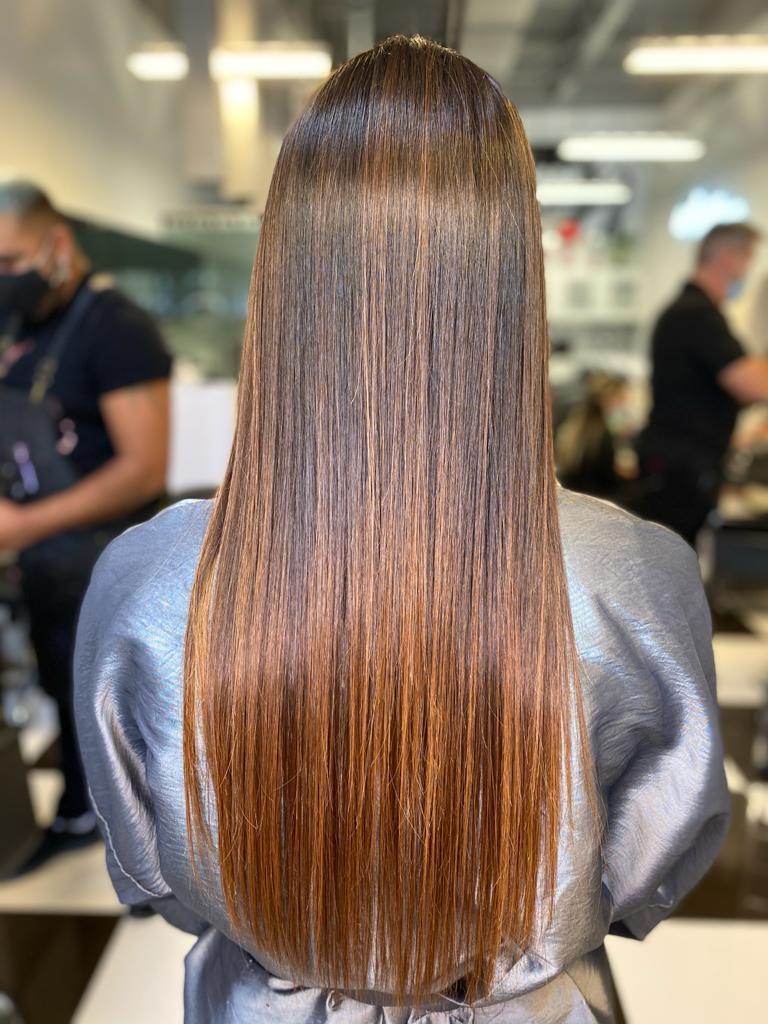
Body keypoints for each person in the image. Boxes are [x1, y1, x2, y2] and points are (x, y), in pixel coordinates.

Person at [74, 37, 728, 1024]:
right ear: (511, 267)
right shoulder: (630, 572)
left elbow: (155, 871)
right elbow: (653, 865)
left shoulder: (152, 576)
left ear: (285, 260)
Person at [0, 181, 171, 871]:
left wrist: (25, 521)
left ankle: (123, 844)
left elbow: (142, 469)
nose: (4, 280)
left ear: (57, 244)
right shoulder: (27, 328)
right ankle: (82, 807)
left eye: (11, 263)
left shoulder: (116, 327)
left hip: (101, 561)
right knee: (59, 692)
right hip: (42, 557)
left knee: (108, 715)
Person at [633, 222, 768, 544]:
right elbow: (752, 385)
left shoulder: (692, 311)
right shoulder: (697, 315)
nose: (746, 271)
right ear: (727, 257)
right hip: (682, 467)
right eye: (747, 258)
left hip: (681, 460)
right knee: (672, 559)